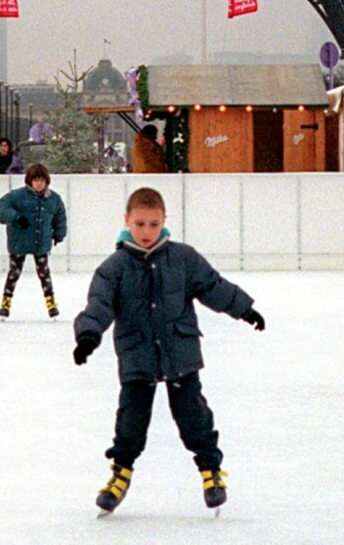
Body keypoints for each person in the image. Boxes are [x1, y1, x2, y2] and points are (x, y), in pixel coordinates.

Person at [72, 185, 265, 515]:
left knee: (194, 416)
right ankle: (120, 474)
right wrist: (88, 336)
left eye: (154, 224)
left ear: (165, 221)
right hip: (137, 353)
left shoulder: (183, 258)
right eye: (140, 224)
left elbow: (213, 286)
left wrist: (244, 309)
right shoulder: (114, 267)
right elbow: (99, 304)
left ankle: (211, 471)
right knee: (130, 421)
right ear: (126, 221)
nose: (147, 231)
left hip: (180, 351)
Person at [0, 162, 66, 320]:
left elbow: (60, 217)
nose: (39, 184)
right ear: (29, 181)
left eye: (42, 180)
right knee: (14, 273)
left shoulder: (53, 199)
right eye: (35, 180)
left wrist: (59, 234)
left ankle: (51, 302)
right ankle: (6, 302)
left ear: (46, 181)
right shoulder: (17, 196)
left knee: (44, 273)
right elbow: (2, 207)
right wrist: (16, 218)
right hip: (19, 242)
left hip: (41, 242)